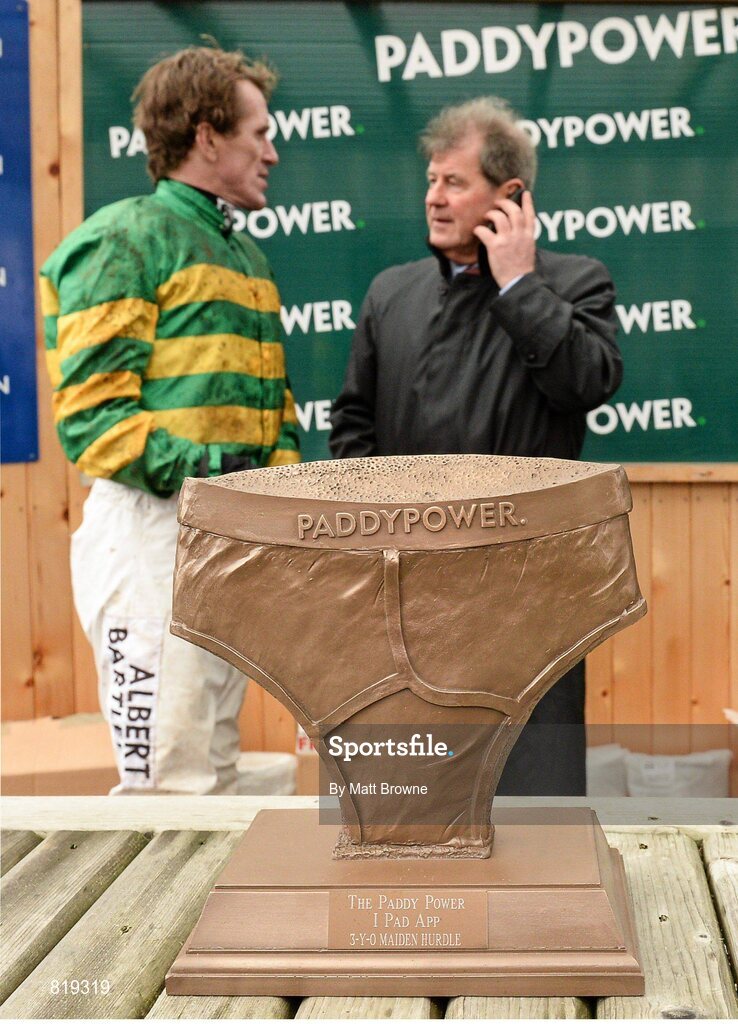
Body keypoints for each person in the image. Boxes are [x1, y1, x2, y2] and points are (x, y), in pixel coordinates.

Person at [329, 97, 623, 796]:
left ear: (510, 195)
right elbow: (353, 428)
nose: (433, 197)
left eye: (454, 182)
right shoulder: (391, 293)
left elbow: (589, 381)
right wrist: (380, 540)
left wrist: (519, 284)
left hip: (529, 599)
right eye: (431, 180)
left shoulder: (574, 283)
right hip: (408, 593)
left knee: (535, 799)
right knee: (413, 796)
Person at [40, 47, 299, 795]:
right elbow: (94, 421)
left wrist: (278, 502)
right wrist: (217, 473)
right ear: (207, 137)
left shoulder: (245, 254)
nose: (272, 153)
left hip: (226, 535)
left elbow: (274, 410)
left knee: (213, 767)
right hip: (150, 534)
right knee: (165, 778)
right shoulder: (123, 237)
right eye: (258, 133)